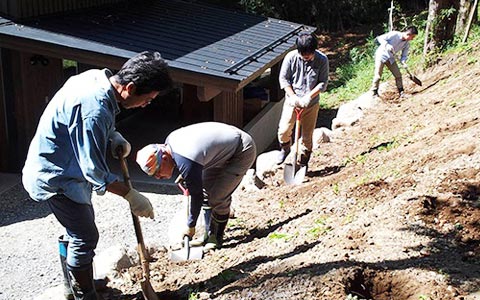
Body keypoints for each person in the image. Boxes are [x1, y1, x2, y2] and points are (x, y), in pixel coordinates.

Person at [22, 51, 172, 300]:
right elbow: (92, 170)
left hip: (66, 168)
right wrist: (131, 194)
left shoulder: (96, 79)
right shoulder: (94, 109)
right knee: (85, 235)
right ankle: (84, 293)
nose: (146, 104)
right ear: (130, 87)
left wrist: (112, 134)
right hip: (56, 177)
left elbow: (90, 129)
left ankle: (73, 286)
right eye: (148, 99)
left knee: (77, 230)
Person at [135, 122, 256, 251]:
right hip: (223, 151)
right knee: (206, 193)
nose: (158, 177)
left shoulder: (186, 160)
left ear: (164, 158)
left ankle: (216, 238)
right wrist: (188, 173)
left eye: (157, 172)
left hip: (241, 150)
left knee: (217, 198)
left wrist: (190, 226)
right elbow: (195, 160)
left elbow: (195, 196)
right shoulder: (170, 145)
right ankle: (208, 235)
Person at [276, 32, 329, 169]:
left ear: (314, 50)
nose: (306, 57)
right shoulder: (290, 58)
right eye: (303, 54)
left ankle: (303, 162)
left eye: (309, 55)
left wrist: (308, 97)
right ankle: (285, 149)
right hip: (292, 102)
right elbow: (284, 79)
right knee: (284, 130)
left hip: (310, 104)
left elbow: (323, 82)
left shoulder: (322, 60)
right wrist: (293, 96)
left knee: (307, 137)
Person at [371, 26, 418, 98]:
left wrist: (404, 62)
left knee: (398, 75)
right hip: (381, 55)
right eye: (412, 37)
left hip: (391, 59)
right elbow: (380, 38)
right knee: (378, 75)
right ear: (408, 34)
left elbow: (404, 55)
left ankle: (401, 92)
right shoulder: (394, 34)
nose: (412, 39)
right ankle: (374, 92)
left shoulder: (406, 44)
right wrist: (387, 45)